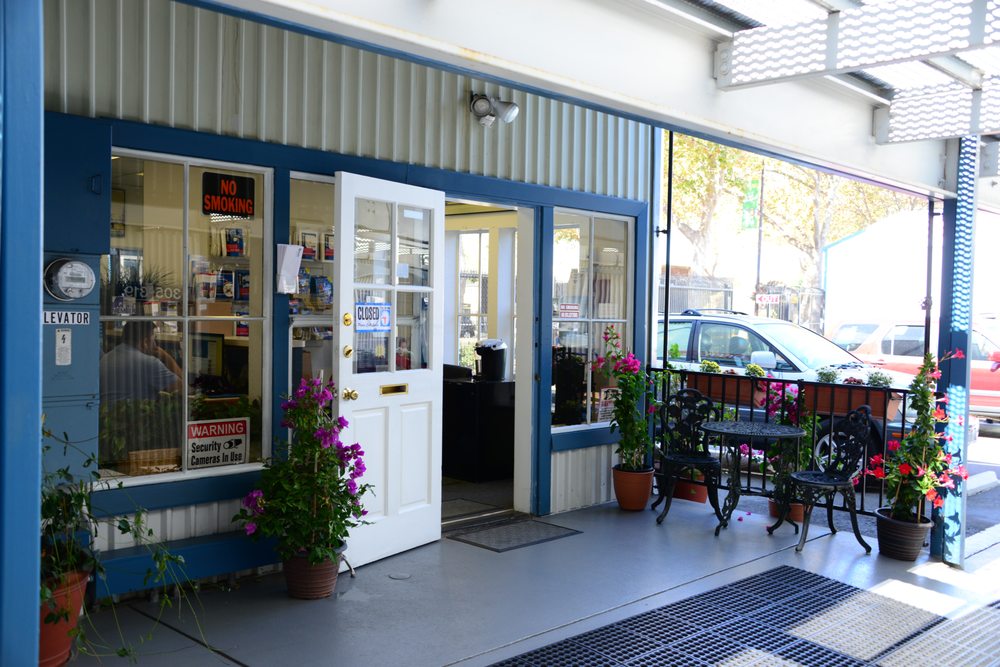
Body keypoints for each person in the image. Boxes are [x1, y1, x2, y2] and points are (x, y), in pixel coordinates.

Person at [100, 320, 183, 403]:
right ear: (145, 342)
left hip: (105, 410)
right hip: (134, 411)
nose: (155, 344)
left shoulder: (106, 358)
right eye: (154, 339)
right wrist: (166, 356)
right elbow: (183, 390)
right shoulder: (149, 363)